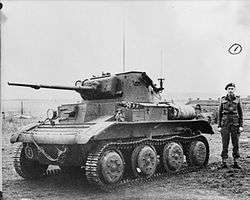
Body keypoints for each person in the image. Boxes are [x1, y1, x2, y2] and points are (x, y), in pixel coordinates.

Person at [218, 83, 244, 169]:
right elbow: (219, 114)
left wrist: (241, 125)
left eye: (232, 89)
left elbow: (240, 114)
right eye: (229, 88)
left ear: (234, 90)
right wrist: (219, 126)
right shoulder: (222, 100)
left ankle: (236, 162)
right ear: (226, 90)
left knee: (235, 143)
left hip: (235, 123)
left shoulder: (238, 100)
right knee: (225, 143)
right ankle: (224, 162)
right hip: (225, 123)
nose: (230, 90)